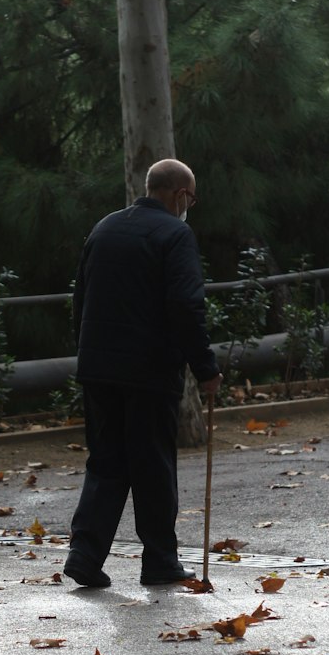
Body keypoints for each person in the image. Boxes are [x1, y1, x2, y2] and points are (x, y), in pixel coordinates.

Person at [64, 158, 222, 589]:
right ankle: (159, 561)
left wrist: (87, 353)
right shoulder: (176, 235)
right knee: (153, 464)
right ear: (179, 195)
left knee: (106, 462)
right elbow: (186, 307)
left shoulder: (104, 227)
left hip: (98, 368)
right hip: (148, 371)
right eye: (191, 197)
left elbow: (81, 297)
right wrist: (205, 368)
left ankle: (85, 554)